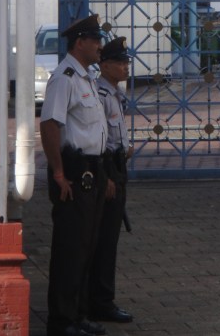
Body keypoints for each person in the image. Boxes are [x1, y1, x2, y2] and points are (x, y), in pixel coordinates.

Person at [40, 15, 109, 336]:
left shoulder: (87, 78)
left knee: (87, 246)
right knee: (70, 248)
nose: (100, 46)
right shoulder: (65, 78)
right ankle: (62, 320)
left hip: (92, 172)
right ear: (80, 42)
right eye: (95, 40)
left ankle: (78, 315)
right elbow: (50, 125)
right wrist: (57, 172)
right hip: (73, 171)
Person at [88, 36, 134, 324]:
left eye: (126, 62)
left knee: (110, 239)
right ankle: (100, 302)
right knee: (103, 241)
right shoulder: (101, 95)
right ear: (104, 66)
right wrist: (106, 177)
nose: (125, 67)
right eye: (119, 62)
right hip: (107, 169)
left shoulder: (115, 94)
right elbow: (99, 139)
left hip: (118, 167)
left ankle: (101, 299)